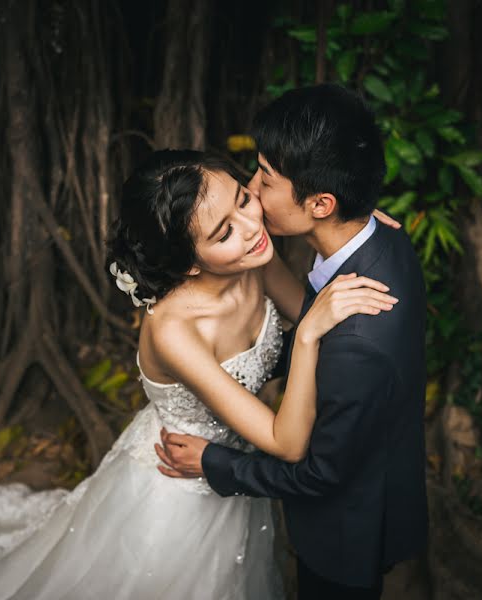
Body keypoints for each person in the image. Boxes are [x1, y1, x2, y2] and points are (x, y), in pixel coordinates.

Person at [0, 148, 398, 599]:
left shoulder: (254, 261)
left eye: (243, 198)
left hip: (235, 474)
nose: (252, 228)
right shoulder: (175, 330)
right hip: (180, 491)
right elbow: (288, 437)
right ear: (187, 266)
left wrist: (354, 231)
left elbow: (319, 301)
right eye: (223, 232)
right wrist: (310, 332)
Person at [155, 84, 429, 600]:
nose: (253, 190)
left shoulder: (356, 341)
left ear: (322, 203)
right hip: (378, 478)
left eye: (266, 179)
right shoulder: (383, 238)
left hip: (345, 531)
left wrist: (213, 463)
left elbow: (318, 476)